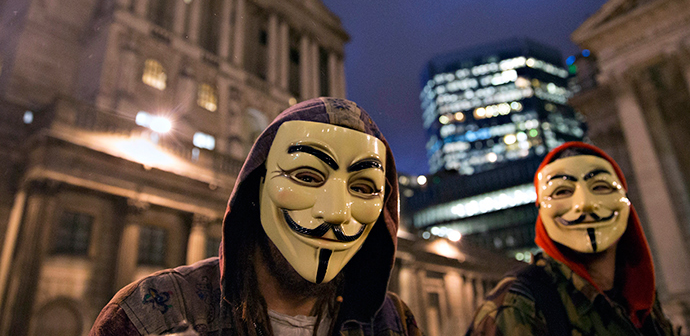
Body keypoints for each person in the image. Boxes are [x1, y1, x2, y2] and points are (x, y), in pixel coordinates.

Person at [90, 98, 422, 336]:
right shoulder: (150, 315)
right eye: (306, 177)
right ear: (257, 187)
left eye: (363, 188)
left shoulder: (395, 322)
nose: (335, 212)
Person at [466, 141, 678, 335]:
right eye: (562, 191)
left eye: (600, 187)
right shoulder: (518, 303)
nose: (584, 204)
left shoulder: (640, 300)